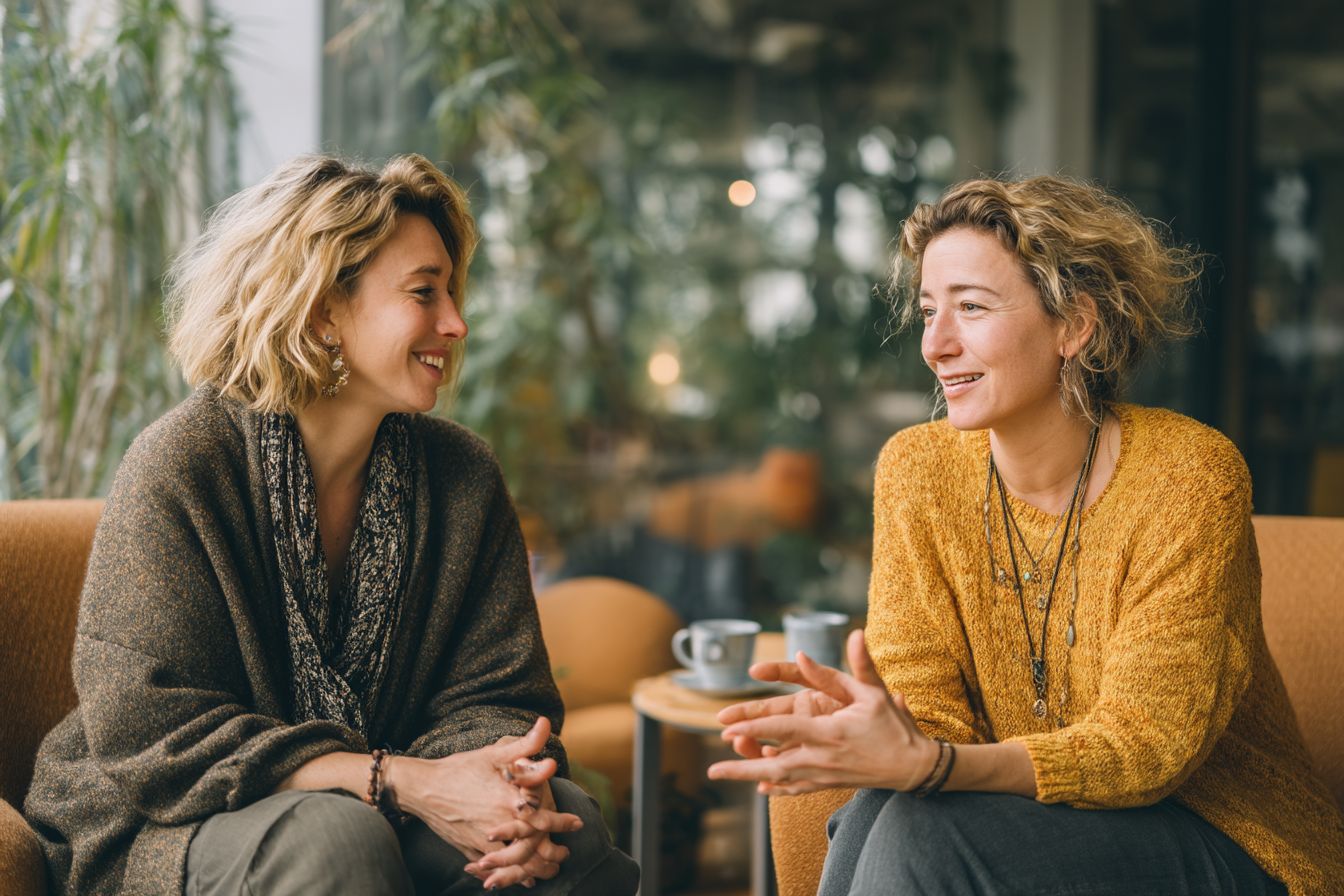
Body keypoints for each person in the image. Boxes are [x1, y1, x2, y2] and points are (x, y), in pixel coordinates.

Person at [707, 176, 1344, 894]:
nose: (936, 346)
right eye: (927, 312)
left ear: (1074, 325)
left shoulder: (1190, 479)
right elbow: (929, 719)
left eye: (971, 308)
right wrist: (877, 728)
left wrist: (934, 762)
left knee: (916, 820)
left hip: (1220, 834)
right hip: (1021, 820)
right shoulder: (916, 471)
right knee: (877, 812)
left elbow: (1148, 747)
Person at [23, 154, 639, 895]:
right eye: (424, 293)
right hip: (170, 817)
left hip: (382, 810)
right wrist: (393, 781)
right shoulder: (183, 464)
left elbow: (500, 696)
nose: (457, 322)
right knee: (334, 837)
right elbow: (150, 729)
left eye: (452, 291)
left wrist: (503, 785)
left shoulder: (461, 477)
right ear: (322, 312)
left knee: (565, 828)